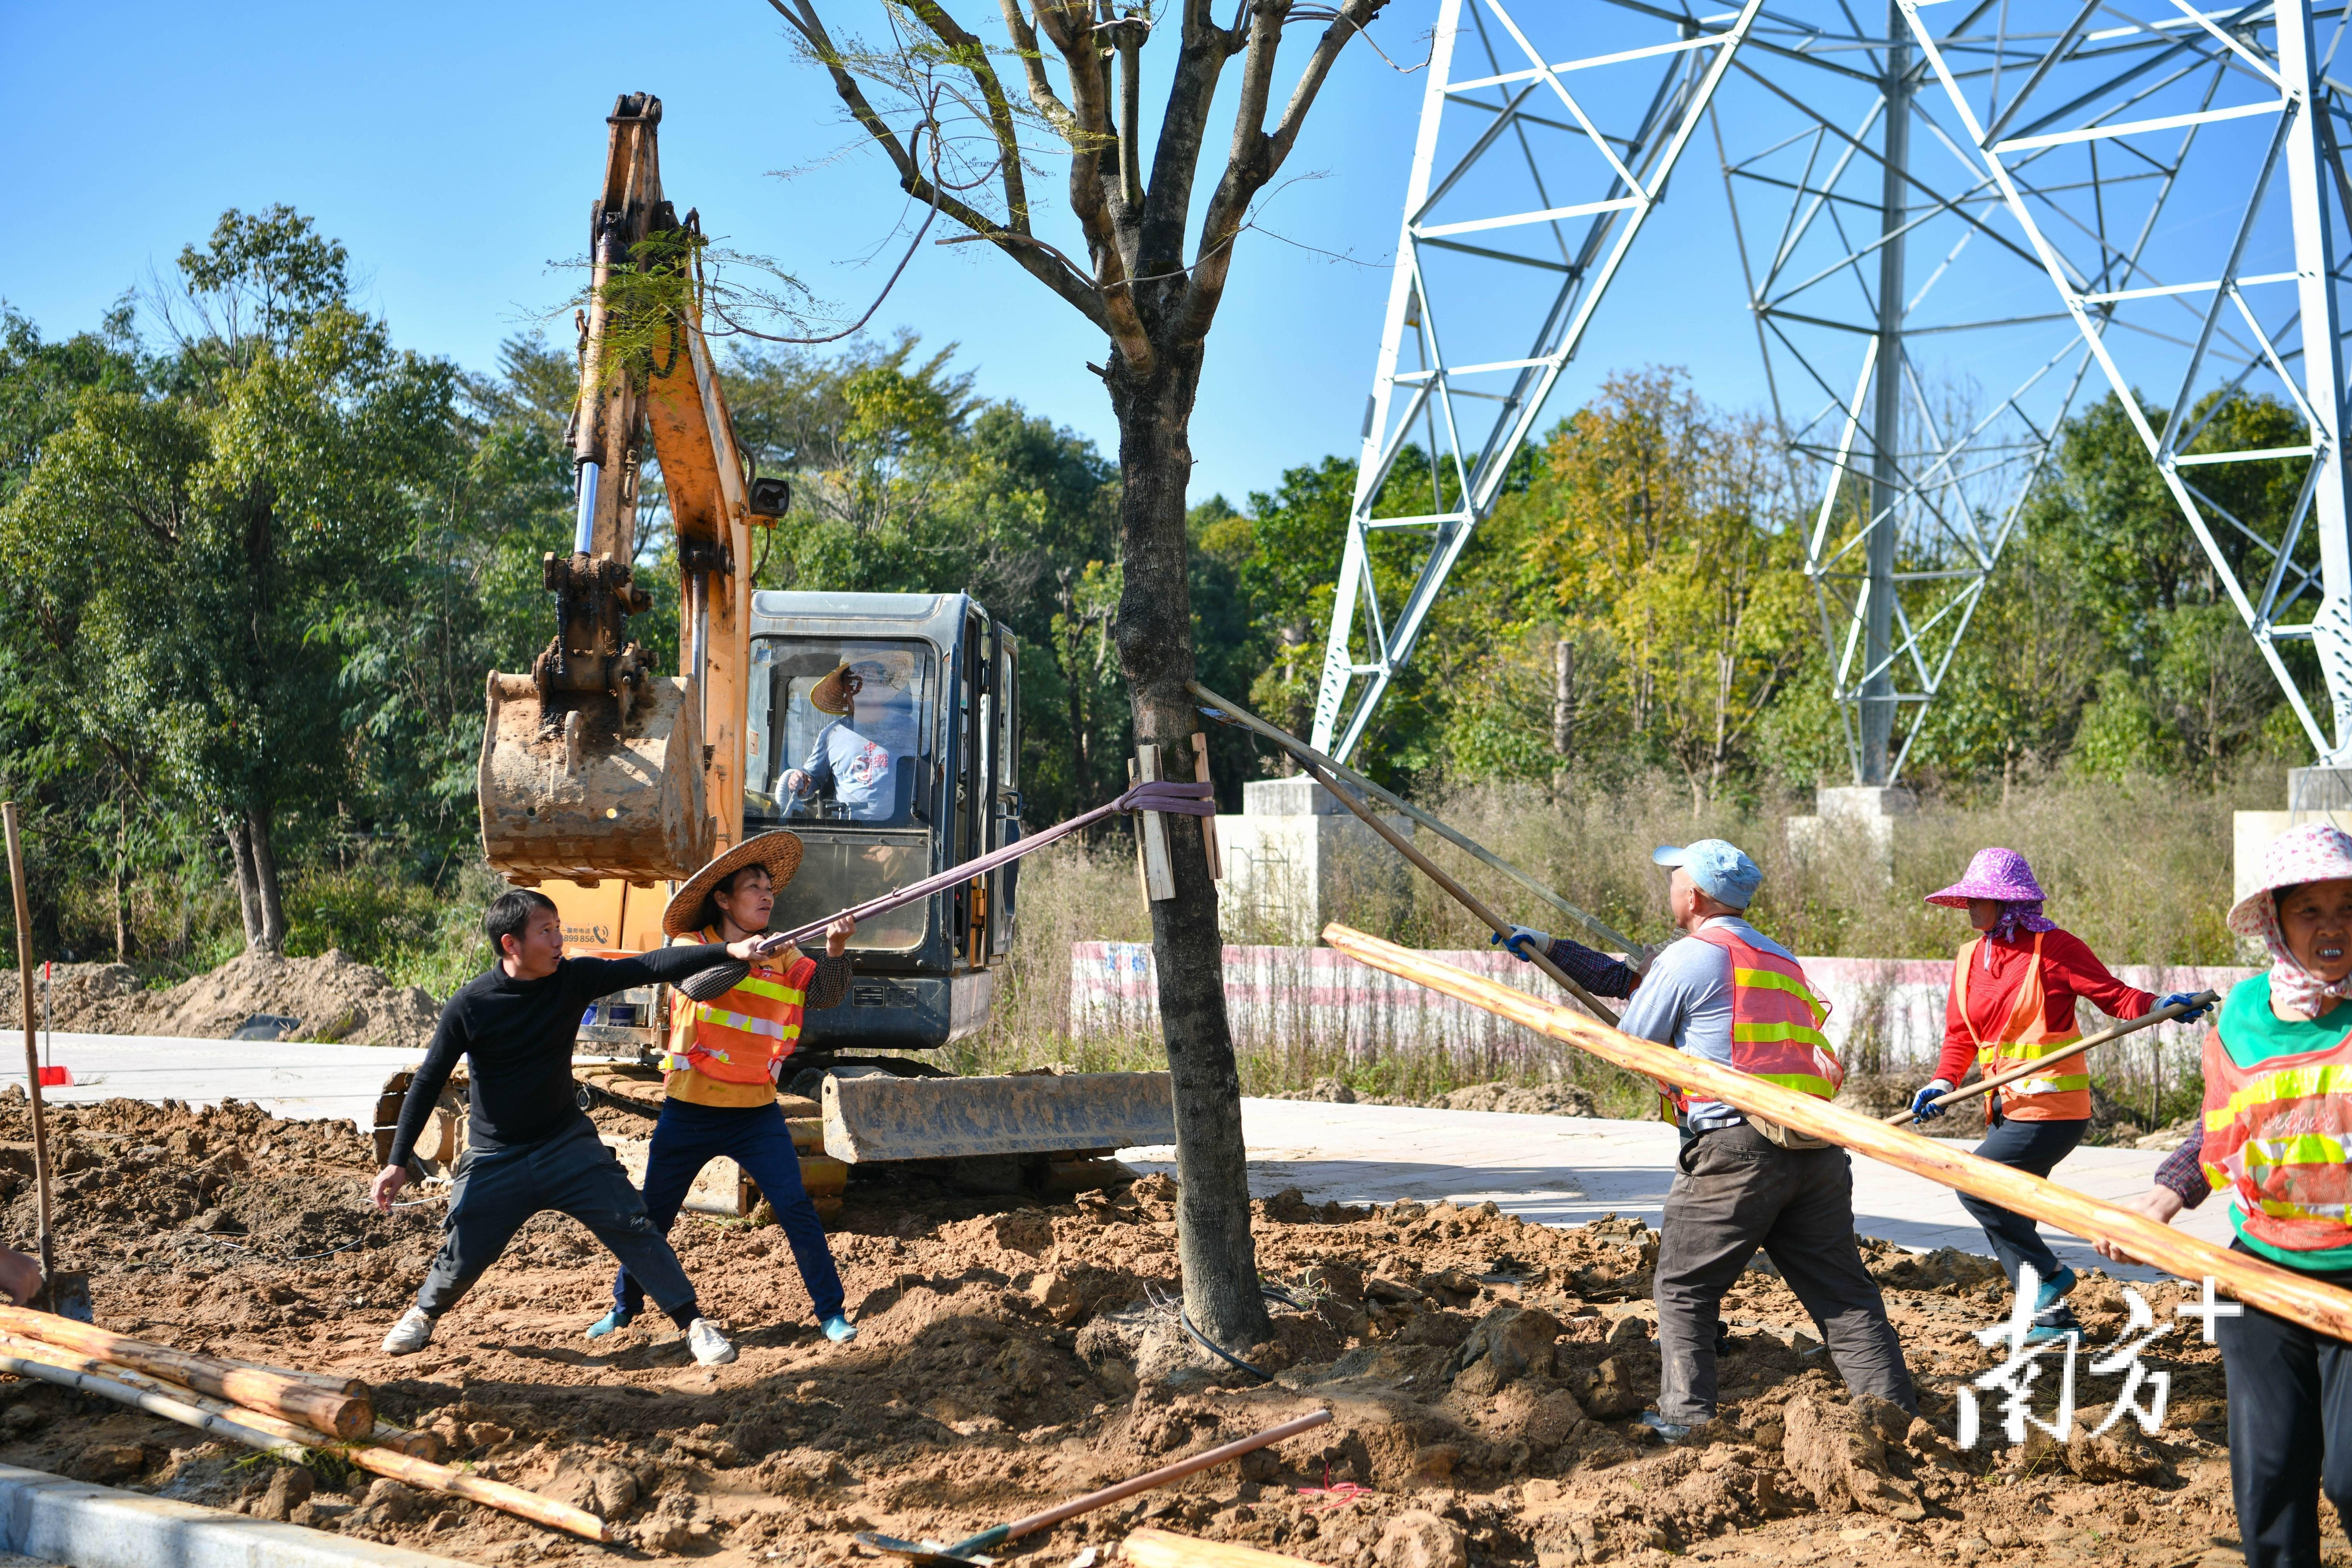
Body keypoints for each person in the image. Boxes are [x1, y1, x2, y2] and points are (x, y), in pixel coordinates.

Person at [1495, 840, 1917, 1440]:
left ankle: (1687, 1421)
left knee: (1683, 1286)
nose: (1668, 886)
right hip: (1812, 1149)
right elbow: (1635, 982)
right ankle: (1895, 1413)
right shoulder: (1776, 958)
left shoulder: (1691, 957)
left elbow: (1636, 1037)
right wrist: (1554, 952)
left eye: (1674, 878)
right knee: (1843, 1293)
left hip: (1736, 1149)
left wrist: (1596, 985)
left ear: (1693, 895)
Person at [2095, 822, 2352, 1568]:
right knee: (2270, 1474)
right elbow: (2223, 1131)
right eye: (2312, 912)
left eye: (2349, 910)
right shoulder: (2243, 1017)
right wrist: (2162, 1202)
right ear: (2276, 923)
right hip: (2258, 1270)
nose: (2333, 928)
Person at [370, 890, 769, 1365]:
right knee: (464, 1249)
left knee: (633, 1224)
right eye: (547, 931)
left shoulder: (574, 979)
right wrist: (397, 1162)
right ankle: (422, 1313)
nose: (561, 940)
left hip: (566, 1145)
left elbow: (652, 964)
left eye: (559, 927)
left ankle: (693, 1323)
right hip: (495, 1156)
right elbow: (429, 1079)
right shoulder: (471, 1005)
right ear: (511, 944)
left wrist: (730, 950)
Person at [1902, 848, 2211, 1343]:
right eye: (1969, 898)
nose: (1971, 907)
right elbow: (1960, 1037)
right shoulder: (1968, 958)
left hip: (2052, 1109)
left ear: (2008, 904)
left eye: (1982, 898)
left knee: (1976, 1185)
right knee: (2011, 1208)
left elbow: (2116, 996)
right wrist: (1943, 1083)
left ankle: (2046, 1278)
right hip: (2003, 1109)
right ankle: (2052, 1322)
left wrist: (2159, 1006)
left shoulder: (2056, 947)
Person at [590, 832, 860, 1346]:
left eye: (769, 889)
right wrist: (743, 954)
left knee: (796, 1209)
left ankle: (831, 1313)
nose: (766, 896)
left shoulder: (785, 950)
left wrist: (836, 948)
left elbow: (824, 992)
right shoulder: (690, 948)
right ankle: (623, 1309)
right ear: (723, 899)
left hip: (756, 1114)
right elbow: (700, 985)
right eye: (753, 888)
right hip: (688, 1114)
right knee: (654, 1217)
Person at [782, 661, 905, 823]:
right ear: (844, 691)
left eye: (870, 681)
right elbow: (811, 780)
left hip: (903, 834)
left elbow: (932, 789)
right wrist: (799, 781)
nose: (861, 689)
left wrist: (905, 848)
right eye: (853, 682)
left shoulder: (910, 731)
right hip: (845, 833)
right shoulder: (832, 735)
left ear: (883, 686)